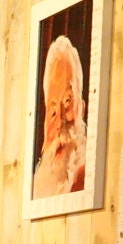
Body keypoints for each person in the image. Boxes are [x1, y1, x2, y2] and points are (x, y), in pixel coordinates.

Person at [32, 35, 88, 198]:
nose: (60, 122)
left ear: (82, 108)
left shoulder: (87, 174)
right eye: (53, 111)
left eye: (67, 101)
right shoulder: (37, 185)